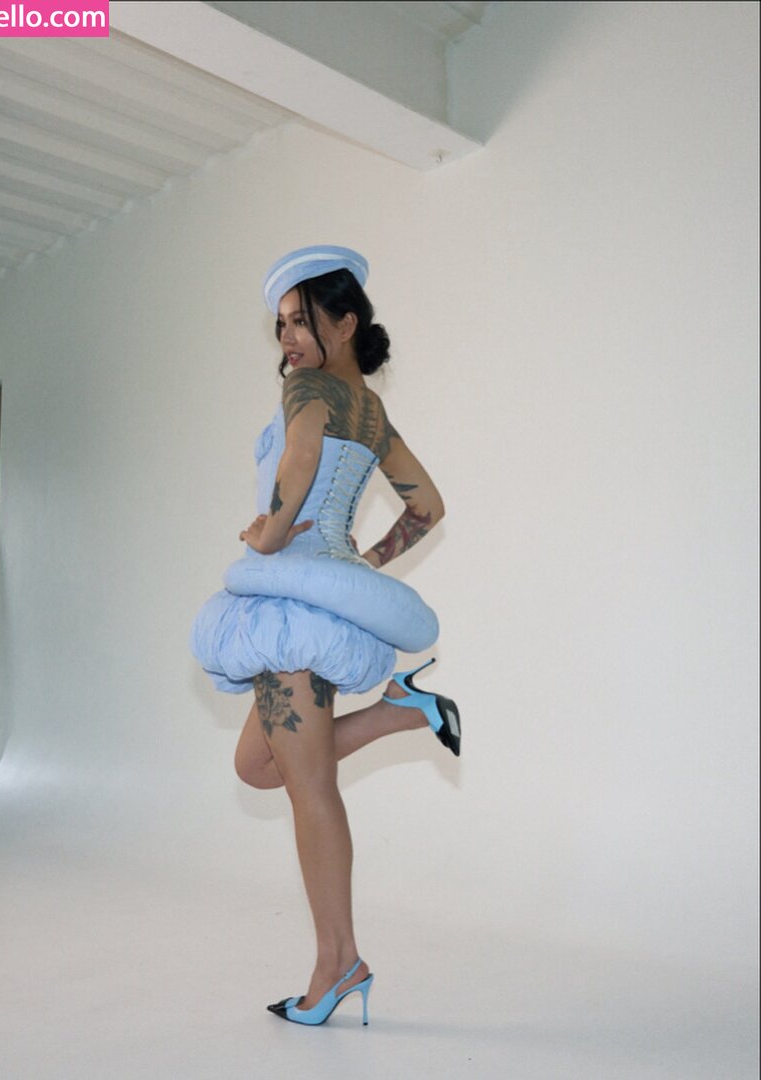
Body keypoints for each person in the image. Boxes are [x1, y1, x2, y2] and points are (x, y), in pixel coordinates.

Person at [190, 245, 460, 1026]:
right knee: (256, 766)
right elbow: (427, 506)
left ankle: (338, 964)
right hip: (321, 599)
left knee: (309, 789)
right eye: (280, 325)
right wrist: (359, 566)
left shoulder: (308, 388)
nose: (288, 340)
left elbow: (304, 455)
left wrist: (271, 534)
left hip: (293, 609)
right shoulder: (370, 412)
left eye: (301, 322)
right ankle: (403, 710)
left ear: (345, 323)